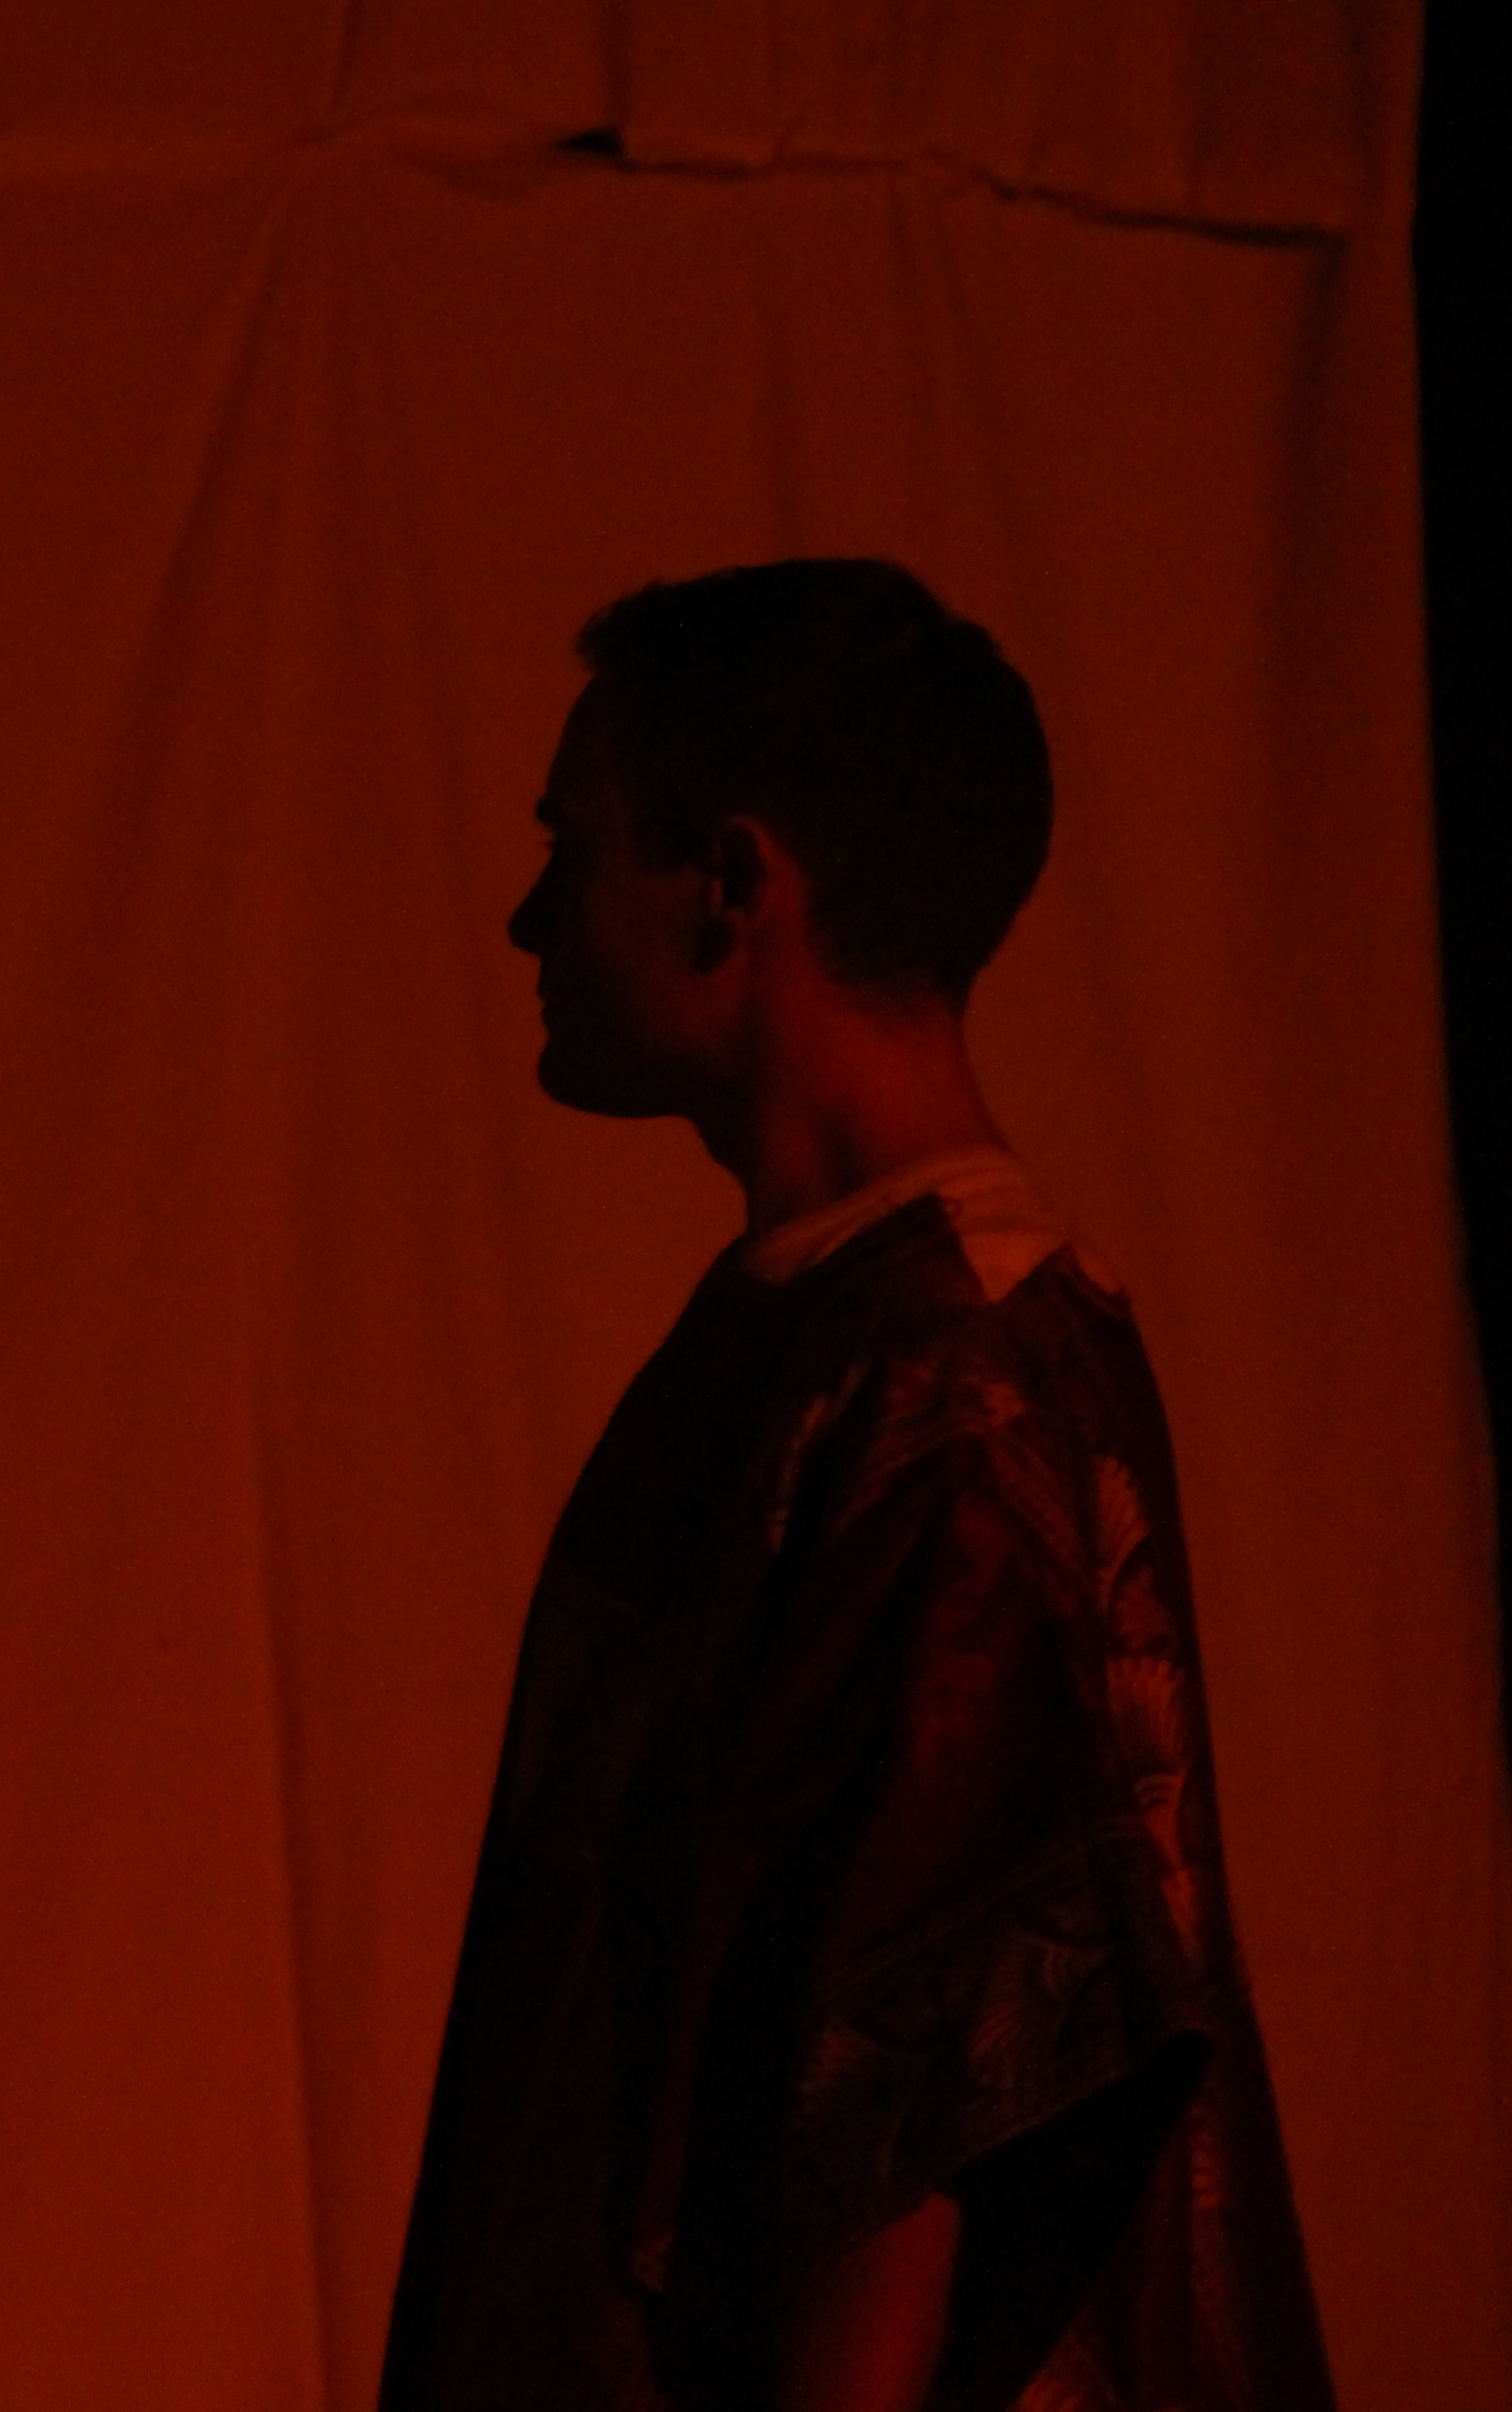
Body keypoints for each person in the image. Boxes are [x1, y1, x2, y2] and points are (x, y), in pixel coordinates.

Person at [380, 559, 1337, 2412]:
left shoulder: (953, 1386)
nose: (524, 917)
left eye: (568, 846)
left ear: (732, 883)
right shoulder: (822, 1336)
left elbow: (921, 2101)